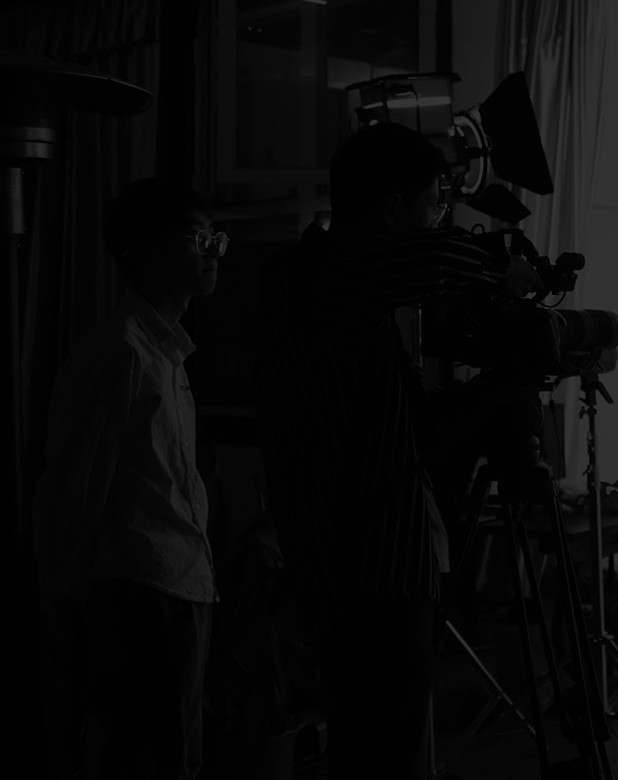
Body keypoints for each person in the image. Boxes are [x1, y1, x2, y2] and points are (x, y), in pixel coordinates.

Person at [255, 123, 538, 780]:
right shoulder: (316, 277)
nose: (440, 218)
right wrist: (506, 269)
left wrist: (500, 389)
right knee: (383, 754)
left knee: (385, 746)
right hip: (364, 568)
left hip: (379, 564)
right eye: (433, 204)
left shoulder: (357, 304)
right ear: (391, 210)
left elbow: (411, 434)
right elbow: (441, 258)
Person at [32, 177, 224, 780]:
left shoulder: (167, 353)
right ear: (142, 252)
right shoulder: (121, 352)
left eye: (214, 237)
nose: (212, 251)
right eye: (195, 238)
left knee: (177, 755)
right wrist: (62, 602)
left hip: (180, 585)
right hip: (142, 592)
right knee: (151, 758)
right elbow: (76, 487)